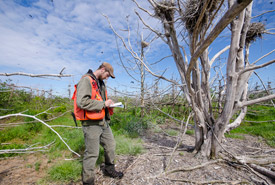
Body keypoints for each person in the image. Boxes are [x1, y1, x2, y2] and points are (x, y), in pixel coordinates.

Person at [72, 62, 123, 185]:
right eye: (108, 75)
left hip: (103, 121)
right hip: (91, 124)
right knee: (92, 154)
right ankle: (88, 181)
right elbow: (82, 102)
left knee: (110, 145)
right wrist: (103, 104)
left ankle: (109, 169)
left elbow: (100, 100)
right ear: (102, 69)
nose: (107, 78)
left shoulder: (100, 83)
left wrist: (109, 103)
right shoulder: (86, 80)